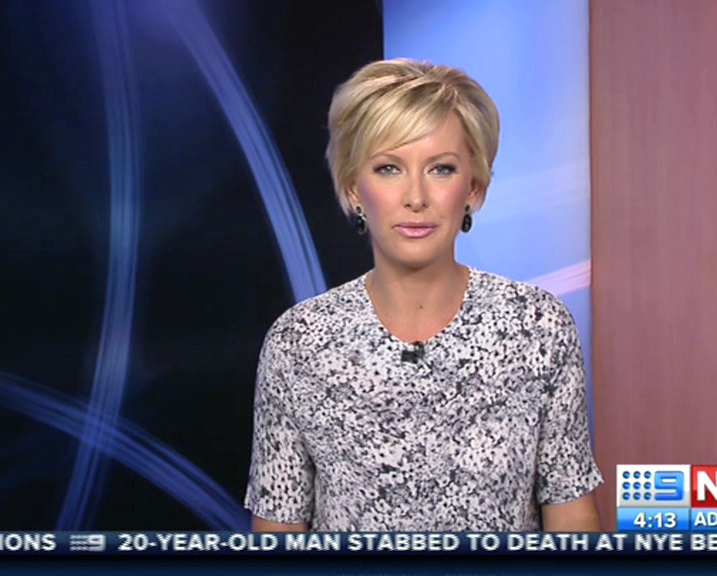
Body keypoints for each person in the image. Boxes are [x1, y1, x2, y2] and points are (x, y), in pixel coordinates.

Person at [245, 59, 603, 532]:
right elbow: (277, 538)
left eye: (441, 169)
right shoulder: (300, 342)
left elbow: (572, 519)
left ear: (473, 188)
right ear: (353, 189)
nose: (416, 197)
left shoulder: (537, 327)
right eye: (389, 168)